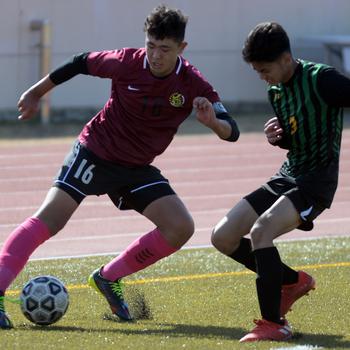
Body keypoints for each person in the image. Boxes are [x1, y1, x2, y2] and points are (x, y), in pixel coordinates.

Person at [0, 5, 240, 329]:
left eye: (164, 49)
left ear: (182, 49)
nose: (155, 55)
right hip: (95, 151)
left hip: (136, 167)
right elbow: (79, 62)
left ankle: (108, 277)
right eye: (150, 45)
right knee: (50, 219)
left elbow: (232, 130)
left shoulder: (193, 83)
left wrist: (213, 123)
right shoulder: (126, 62)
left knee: (180, 227)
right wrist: (35, 93)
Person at [211, 22, 350, 342]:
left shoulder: (322, 80)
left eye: (265, 69)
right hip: (288, 174)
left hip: (316, 182)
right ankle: (290, 281)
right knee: (223, 236)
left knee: (261, 232)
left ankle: (274, 323)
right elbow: (295, 138)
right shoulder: (276, 91)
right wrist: (279, 138)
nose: (262, 76)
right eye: (257, 71)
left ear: (286, 58)